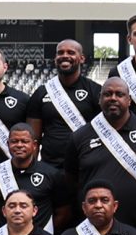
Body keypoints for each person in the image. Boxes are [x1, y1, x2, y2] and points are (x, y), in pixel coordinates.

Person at [77, 77, 136, 227]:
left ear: (129, 100)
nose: (113, 98)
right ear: (99, 99)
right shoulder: (80, 136)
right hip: (95, 227)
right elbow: (72, 180)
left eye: (119, 94)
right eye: (107, 94)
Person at [29, 37, 102, 172]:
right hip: (50, 167)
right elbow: (34, 138)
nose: (65, 56)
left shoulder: (95, 91)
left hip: (84, 165)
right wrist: (32, 169)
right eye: (60, 53)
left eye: (71, 52)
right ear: (55, 58)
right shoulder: (41, 93)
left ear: (82, 58)